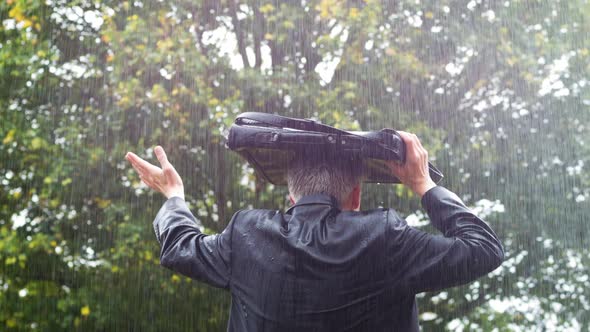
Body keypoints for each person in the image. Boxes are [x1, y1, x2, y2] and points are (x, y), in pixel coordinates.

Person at [125, 131, 504, 332]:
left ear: (292, 194)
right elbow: (484, 249)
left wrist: (174, 196)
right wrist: (423, 184)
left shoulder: (247, 234)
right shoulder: (385, 236)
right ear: (355, 195)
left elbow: (179, 247)